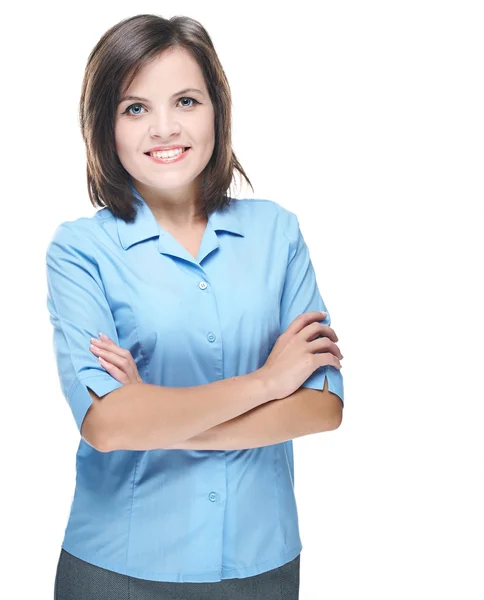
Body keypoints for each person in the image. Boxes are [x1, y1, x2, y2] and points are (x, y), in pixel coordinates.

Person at [46, 13, 345, 600]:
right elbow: (106, 425)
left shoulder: (276, 234)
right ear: (104, 125)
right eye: (135, 108)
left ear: (217, 111)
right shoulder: (80, 250)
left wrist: (154, 419)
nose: (164, 128)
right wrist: (267, 381)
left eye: (185, 100)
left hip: (261, 563)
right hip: (118, 569)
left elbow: (323, 407)